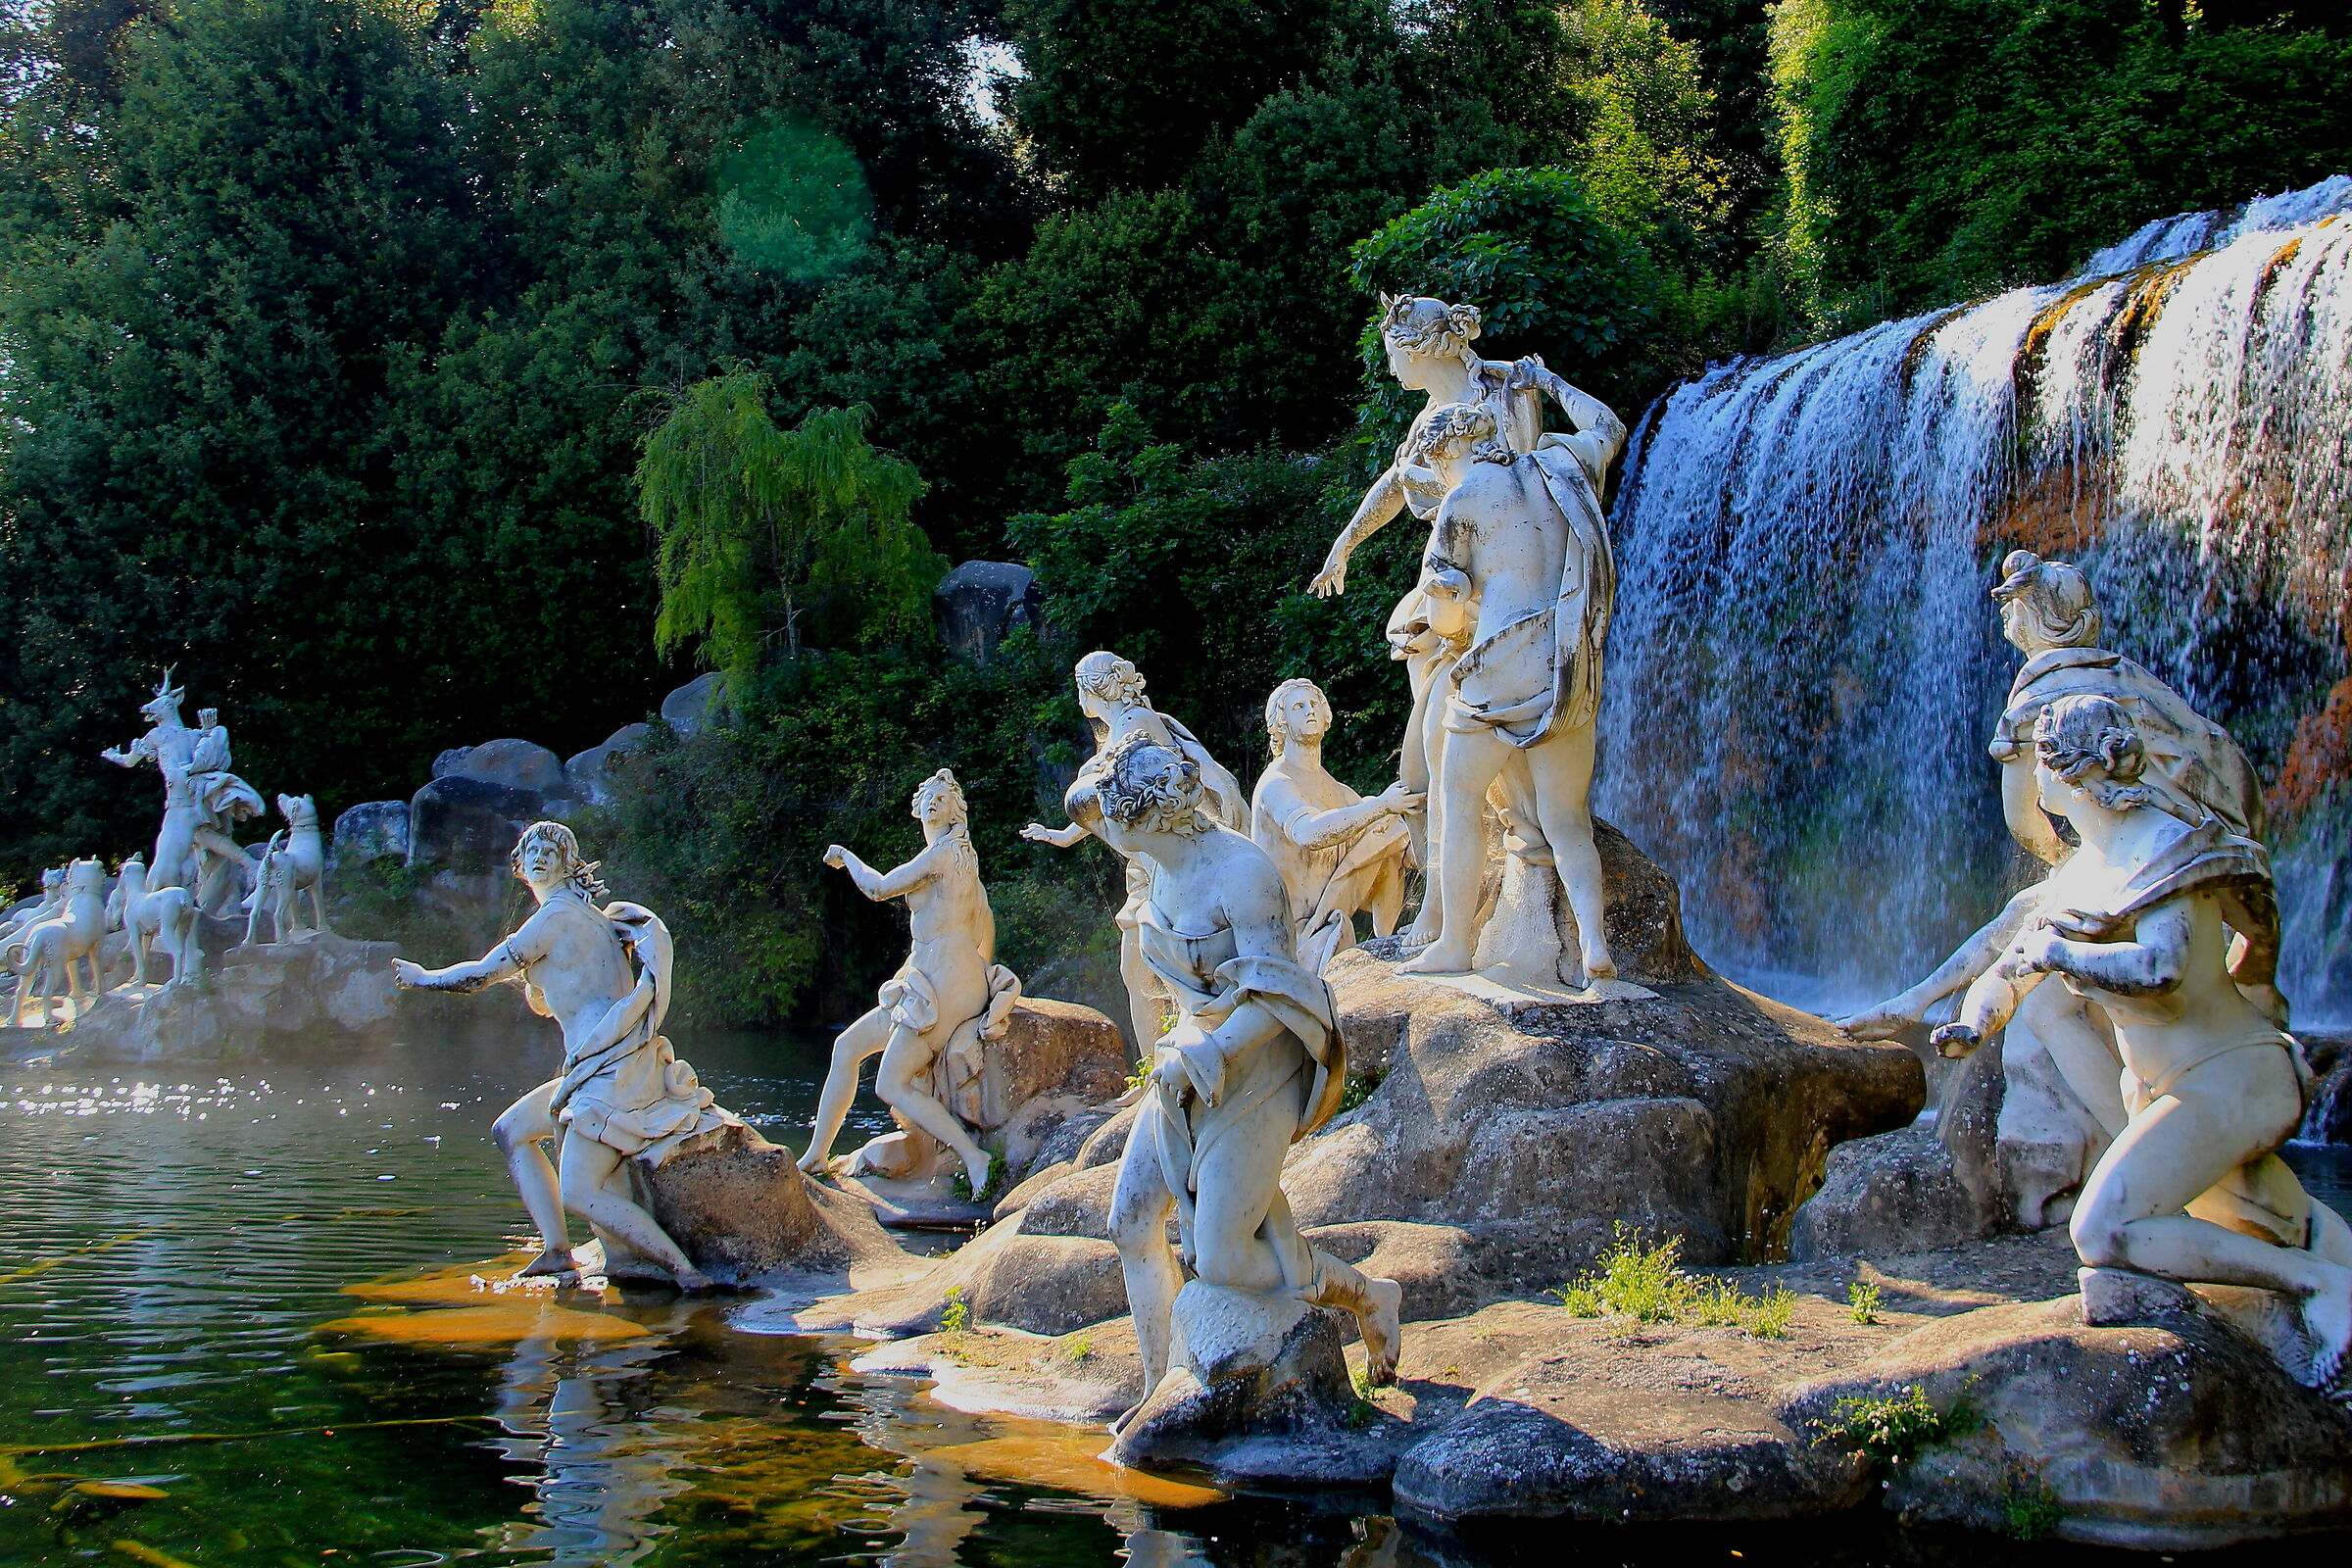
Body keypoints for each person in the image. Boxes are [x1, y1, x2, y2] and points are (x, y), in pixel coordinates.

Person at [1934, 695, 2352, 1390]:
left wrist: (2061, 959)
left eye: (2037, 761)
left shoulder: (2162, 848)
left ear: (2064, 771)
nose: (2031, 781)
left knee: (2103, 1230)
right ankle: (2332, 1278)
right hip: (2173, 1088)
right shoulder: (2083, 871)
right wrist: (1975, 1022)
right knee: (2273, 1214)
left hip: (2227, 1077)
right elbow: (2016, 966)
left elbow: (2158, 967)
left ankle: (2315, 1288)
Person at [1076, 734, 1402, 1416]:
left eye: (1112, 815)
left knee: (1223, 1260)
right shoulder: (1155, 859)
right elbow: (1081, 803)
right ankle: (1156, 1385)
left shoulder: (1241, 873)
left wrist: (1211, 1055)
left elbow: (1279, 998)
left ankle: (1367, 1294)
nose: (1100, 828)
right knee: (1132, 1220)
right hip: (1192, 1058)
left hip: (1258, 1061)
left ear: (1145, 818)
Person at [393, 822, 734, 1289]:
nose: (540, 856)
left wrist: (423, 978)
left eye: (551, 849)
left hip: (608, 1072)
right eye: (531, 848)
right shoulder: (590, 917)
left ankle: (684, 1271)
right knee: (510, 1130)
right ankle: (558, 1251)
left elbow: (478, 976)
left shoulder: (554, 916)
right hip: (598, 1065)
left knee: (578, 1189)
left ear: (568, 863)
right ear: (519, 865)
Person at [1396, 399, 1619, 983]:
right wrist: (1546, 379)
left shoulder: (1461, 502)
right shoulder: (1558, 469)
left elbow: (1446, 623)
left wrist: (1444, 599)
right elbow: (1609, 429)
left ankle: (1451, 943)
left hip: (1500, 664)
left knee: (1461, 797)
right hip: (1567, 659)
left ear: (1445, 451)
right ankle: (1595, 946)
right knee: (1568, 818)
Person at [802, 769, 1013, 1194]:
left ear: (957, 811)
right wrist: (981, 973)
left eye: (943, 797)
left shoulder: (946, 854)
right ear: (917, 807)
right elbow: (985, 917)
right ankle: (816, 1155)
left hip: (945, 978)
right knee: (846, 1049)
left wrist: (846, 857)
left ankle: (974, 1157)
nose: (934, 801)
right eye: (928, 796)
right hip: (928, 976)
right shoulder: (957, 856)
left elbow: (879, 888)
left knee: (889, 1082)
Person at [1023, 652, 1245, 1053]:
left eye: (1079, 687)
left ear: (1095, 688)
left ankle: (1166, 1061)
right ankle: (1158, 1062)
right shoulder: (1129, 724)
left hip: (1165, 857)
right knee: (1139, 968)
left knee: (1147, 966)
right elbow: (1112, 798)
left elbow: (1129, 794)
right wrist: (1062, 835)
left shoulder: (1134, 725)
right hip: (1151, 860)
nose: (1078, 697)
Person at [1250, 678, 1418, 972]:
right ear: (1282, 722)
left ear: (1327, 716)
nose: (1310, 711)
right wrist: (1380, 804)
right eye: (1298, 706)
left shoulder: (1336, 789)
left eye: (1315, 704)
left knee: (1387, 828)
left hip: (1326, 921)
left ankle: (1389, 938)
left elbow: (1396, 837)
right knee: (1379, 814)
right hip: (1288, 937)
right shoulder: (1277, 783)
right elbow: (1309, 832)